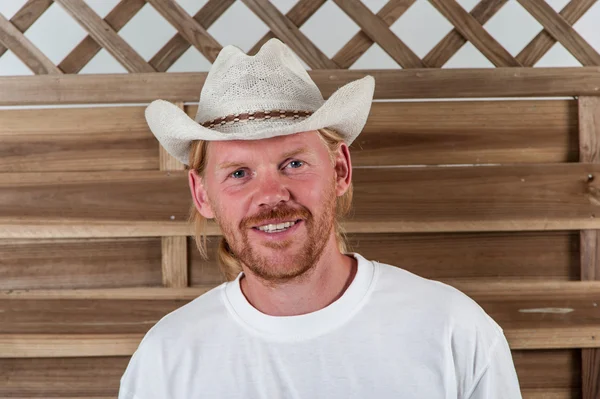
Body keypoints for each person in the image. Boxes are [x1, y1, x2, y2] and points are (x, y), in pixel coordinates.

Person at [118, 38, 522, 398]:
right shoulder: (166, 359)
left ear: (341, 170)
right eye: (239, 173)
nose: (271, 195)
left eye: (293, 163)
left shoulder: (454, 330)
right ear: (202, 194)